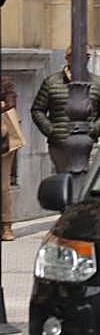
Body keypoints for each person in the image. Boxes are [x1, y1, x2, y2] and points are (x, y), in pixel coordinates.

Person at [30, 48, 100, 174]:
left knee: (87, 180)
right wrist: (52, 131)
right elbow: (38, 110)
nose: (81, 60)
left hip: (87, 144)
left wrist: (95, 129)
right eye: (75, 56)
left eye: (86, 57)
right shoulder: (51, 82)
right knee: (65, 179)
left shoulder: (98, 83)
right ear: (67, 58)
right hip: (59, 144)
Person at [1, 74, 22, 241]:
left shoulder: (5, 81)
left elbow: (10, 104)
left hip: (3, 141)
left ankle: (7, 225)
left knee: (3, 184)